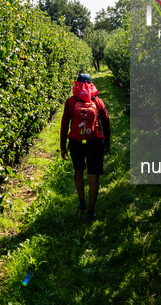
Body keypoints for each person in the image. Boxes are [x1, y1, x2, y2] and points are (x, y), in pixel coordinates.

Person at [60, 73, 110, 220]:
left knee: (78, 171)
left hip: (76, 142)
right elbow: (106, 123)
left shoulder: (70, 102)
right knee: (93, 177)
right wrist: (107, 143)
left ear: (77, 85)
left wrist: (63, 146)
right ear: (91, 84)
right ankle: (91, 211)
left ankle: (82, 202)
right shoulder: (98, 102)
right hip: (95, 142)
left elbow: (64, 125)